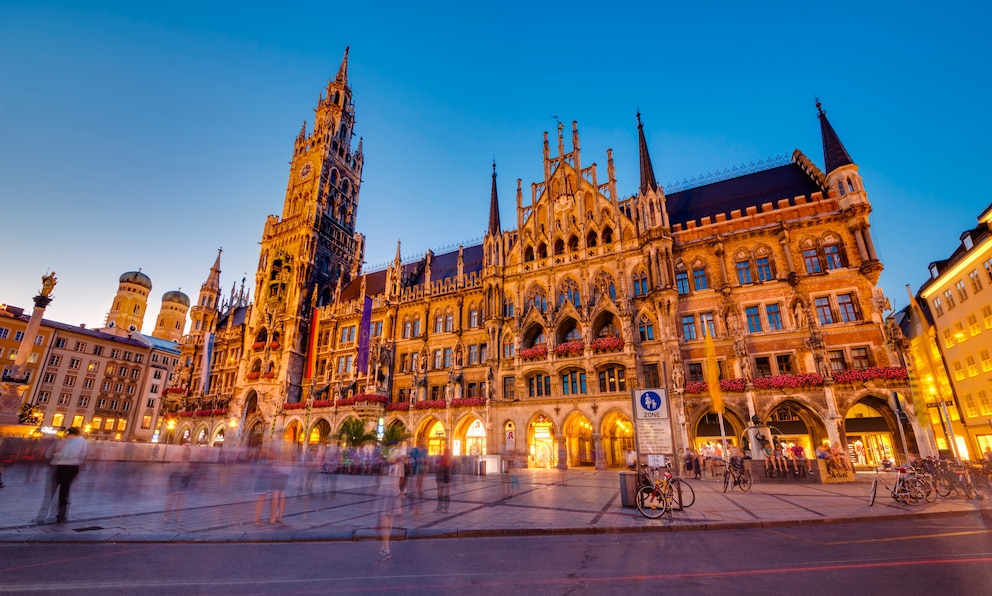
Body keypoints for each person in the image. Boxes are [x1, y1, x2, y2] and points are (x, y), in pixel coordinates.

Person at [37, 427, 88, 523]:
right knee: (65, 491)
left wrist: (56, 456)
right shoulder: (83, 442)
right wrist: (77, 462)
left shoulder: (61, 441)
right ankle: (61, 514)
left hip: (58, 466)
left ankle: (43, 515)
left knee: (51, 492)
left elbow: (48, 454)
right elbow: (83, 455)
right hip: (73, 467)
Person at [376, 452, 404, 561]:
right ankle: (385, 545)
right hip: (394, 492)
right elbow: (401, 479)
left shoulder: (385, 465)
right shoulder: (400, 463)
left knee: (384, 522)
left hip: (385, 493)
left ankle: (387, 550)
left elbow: (379, 479)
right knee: (390, 520)